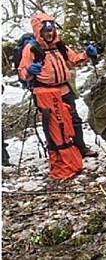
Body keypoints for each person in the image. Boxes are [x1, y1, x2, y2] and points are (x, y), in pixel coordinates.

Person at [18, 12, 98, 158]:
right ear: (39, 31)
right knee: (52, 123)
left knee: (74, 119)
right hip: (45, 92)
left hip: (64, 89)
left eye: (51, 30)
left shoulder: (59, 45)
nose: (49, 33)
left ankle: (80, 147)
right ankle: (57, 151)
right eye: (46, 31)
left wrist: (86, 54)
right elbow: (22, 72)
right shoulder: (31, 48)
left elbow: (73, 60)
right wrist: (29, 71)